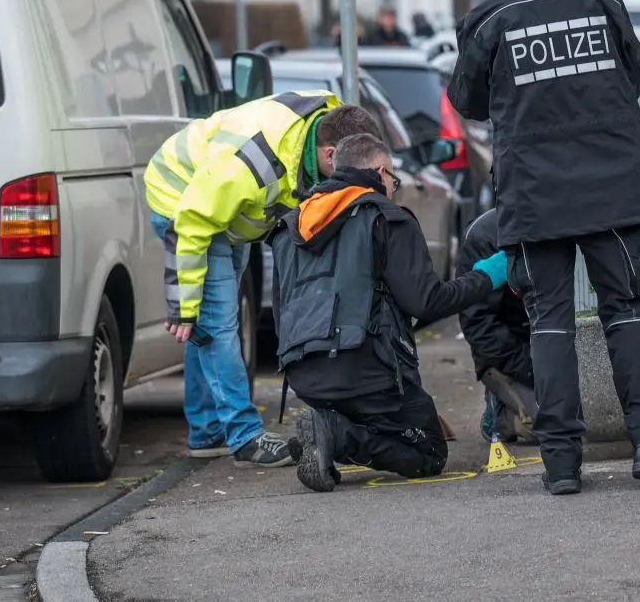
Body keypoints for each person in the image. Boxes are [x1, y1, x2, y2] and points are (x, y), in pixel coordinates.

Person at [449, 0, 640, 496]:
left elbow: (467, 100)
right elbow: (634, 74)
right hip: (611, 185)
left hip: (534, 194)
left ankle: (562, 464)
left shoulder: (490, 17)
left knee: (549, 320)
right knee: (629, 310)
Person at [144, 94, 381, 466]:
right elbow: (190, 223)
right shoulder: (253, 163)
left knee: (208, 326)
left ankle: (207, 432)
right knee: (217, 325)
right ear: (331, 154)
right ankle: (245, 437)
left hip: (227, 213)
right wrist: (183, 305)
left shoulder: (324, 130)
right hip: (182, 200)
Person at [271, 134, 511, 492]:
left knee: (372, 411)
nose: (393, 190)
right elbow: (427, 302)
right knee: (429, 453)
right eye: (394, 180)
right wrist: (487, 276)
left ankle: (326, 430)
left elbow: (281, 315)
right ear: (381, 172)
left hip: (304, 376)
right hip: (367, 375)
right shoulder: (386, 218)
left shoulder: (291, 226)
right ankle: (336, 435)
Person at [452, 208, 537, 444]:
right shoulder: (484, 237)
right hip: (509, 354)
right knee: (553, 427)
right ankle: (500, 415)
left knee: (578, 417)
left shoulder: (561, 222)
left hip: (550, 347)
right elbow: (479, 326)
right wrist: (532, 368)